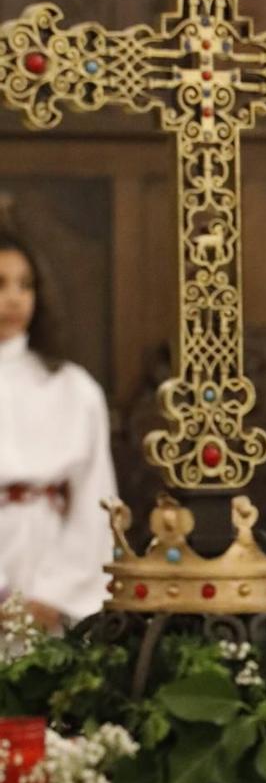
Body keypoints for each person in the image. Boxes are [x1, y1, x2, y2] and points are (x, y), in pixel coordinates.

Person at [0, 202, 116, 629]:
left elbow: (95, 498)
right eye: (0, 283)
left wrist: (53, 595)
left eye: (25, 285)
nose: (14, 298)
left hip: (53, 562)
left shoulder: (72, 387)